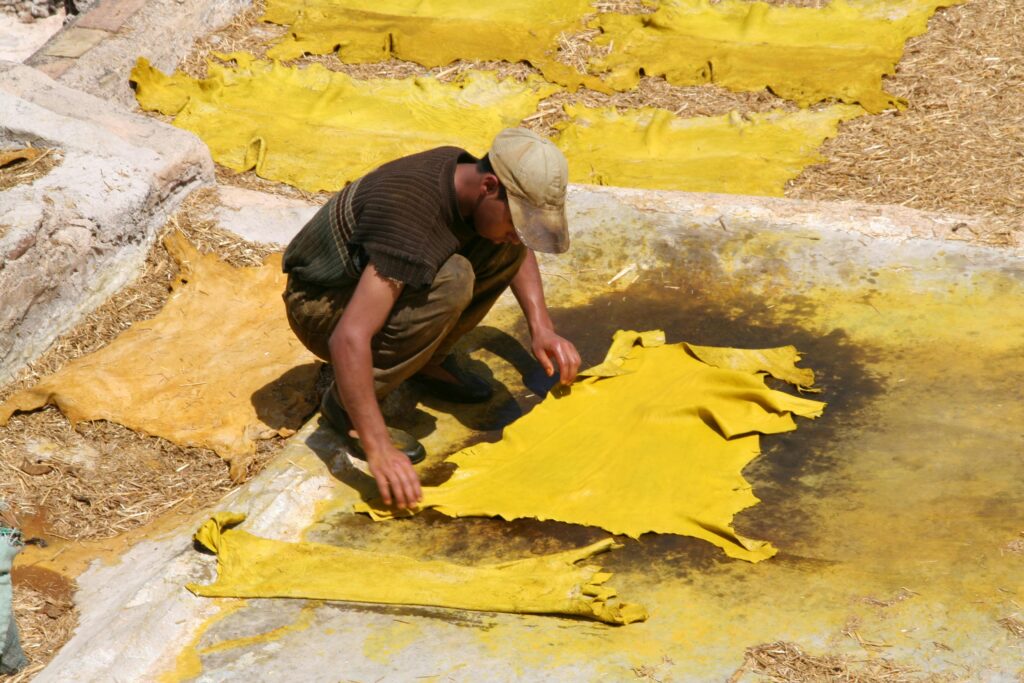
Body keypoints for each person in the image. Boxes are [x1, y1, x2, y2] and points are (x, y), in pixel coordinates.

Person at [282, 128, 581, 510]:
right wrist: (377, 446)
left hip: (372, 284)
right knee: (453, 280)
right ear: (490, 186)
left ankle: (424, 362)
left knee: (501, 248)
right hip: (320, 303)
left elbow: (517, 246)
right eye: (516, 221)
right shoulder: (412, 215)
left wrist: (542, 329)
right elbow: (349, 337)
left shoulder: (466, 181)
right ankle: (346, 405)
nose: (515, 235)